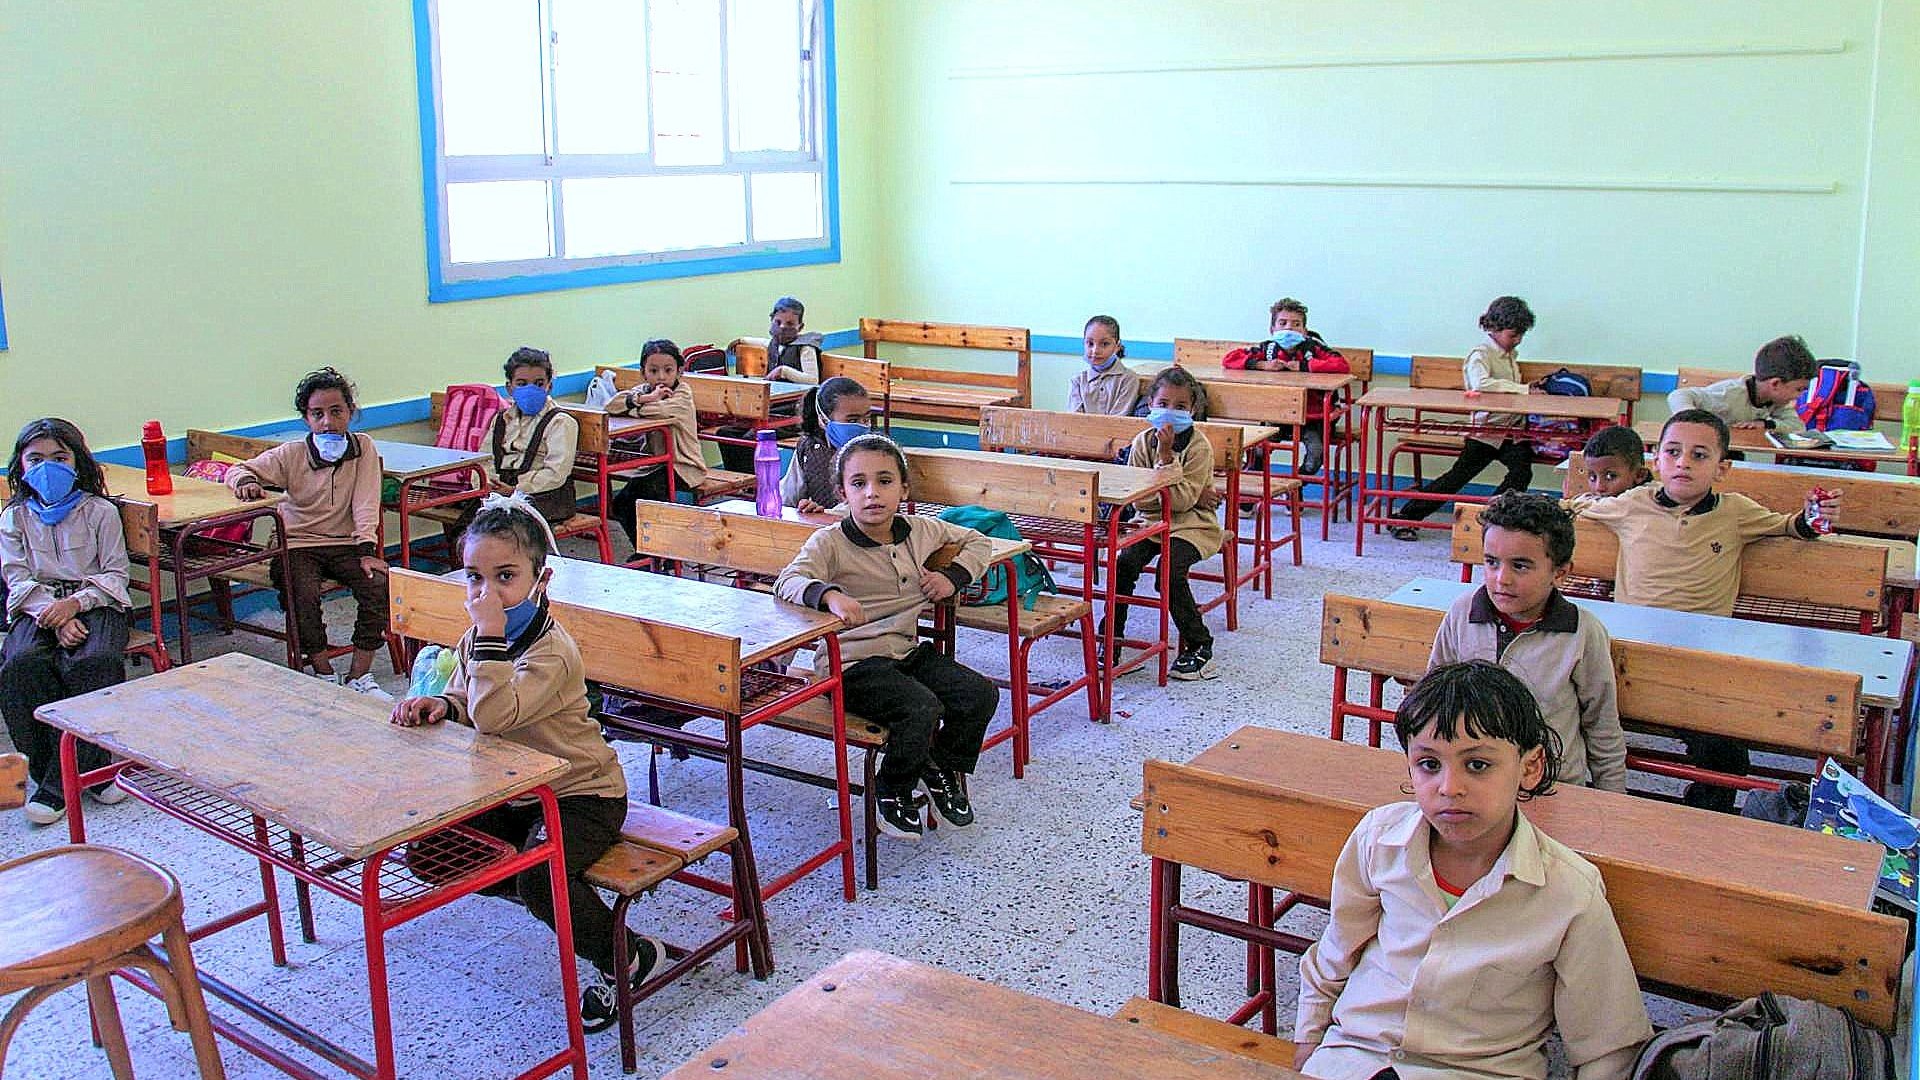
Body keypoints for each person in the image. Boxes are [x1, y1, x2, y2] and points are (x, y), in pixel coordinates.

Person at [1293, 660, 1652, 1079]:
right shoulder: (1379, 839)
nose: (1449, 787)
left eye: (1477, 765)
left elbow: (1606, 1047)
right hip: (1358, 1056)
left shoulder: (1569, 891)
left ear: (1530, 768)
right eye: (1429, 764)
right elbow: (1335, 954)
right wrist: (1307, 1049)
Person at [390, 495, 662, 1032]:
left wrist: (488, 637)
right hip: (514, 791)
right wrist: (442, 704)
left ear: (542, 578)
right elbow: (470, 702)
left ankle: (624, 954)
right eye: (474, 577)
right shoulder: (477, 638)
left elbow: (495, 716)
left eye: (506, 576)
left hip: (582, 793)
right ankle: (548, 887)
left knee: (542, 880)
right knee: (430, 857)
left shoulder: (549, 650)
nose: (486, 593)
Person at [1575, 409, 1836, 810]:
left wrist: (1816, 516)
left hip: (1698, 663)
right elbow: (1573, 509)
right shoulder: (1631, 504)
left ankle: (1701, 822)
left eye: (1699, 455)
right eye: (1673, 452)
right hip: (1626, 657)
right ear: (1656, 460)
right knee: (1557, 712)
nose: (1683, 463)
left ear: (1722, 468)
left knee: (1726, 755)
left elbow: (1790, 526)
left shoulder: (1736, 513)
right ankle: (1579, 803)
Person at [774, 434, 998, 843]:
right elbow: (787, 581)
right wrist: (830, 594)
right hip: (851, 665)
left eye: (885, 481)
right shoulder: (830, 542)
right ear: (842, 493)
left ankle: (939, 766)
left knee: (979, 694)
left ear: (904, 489)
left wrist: (953, 577)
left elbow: (978, 540)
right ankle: (891, 789)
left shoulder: (920, 531)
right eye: (858, 484)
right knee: (920, 707)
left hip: (904, 652)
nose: (872, 494)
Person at [1429, 493, 1626, 792]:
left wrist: (1613, 801)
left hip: (1552, 787)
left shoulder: (1583, 632)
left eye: (1520, 566)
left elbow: (1602, 726)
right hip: (1471, 785)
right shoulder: (1462, 613)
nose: (1501, 579)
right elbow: (1435, 700)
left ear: (1560, 573)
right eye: (1492, 562)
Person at [226, 367, 391, 697]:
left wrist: (366, 551)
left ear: (350, 413)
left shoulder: (363, 449)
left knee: (379, 586)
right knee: (301, 592)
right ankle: (323, 671)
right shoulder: (292, 453)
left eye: (336, 412)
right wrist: (245, 482)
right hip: (297, 543)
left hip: (348, 544)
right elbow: (238, 468)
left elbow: (366, 502)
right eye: (318, 414)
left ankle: (359, 675)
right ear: (307, 418)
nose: (328, 422)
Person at [0, 418, 132, 825]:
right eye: (36, 459)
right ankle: (53, 777)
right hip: (36, 607)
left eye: (59, 457)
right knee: (20, 665)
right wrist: (52, 615)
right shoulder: (15, 516)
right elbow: (16, 577)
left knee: (90, 663)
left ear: (78, 462)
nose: (48, 467)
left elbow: (115, 574)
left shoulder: (100, 512)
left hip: (94, 602)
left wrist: (76, 604)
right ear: (20, 466)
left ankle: (73, 780)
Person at [1107, 367, 1226, 681]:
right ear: (1150, 403)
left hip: (1193, 526)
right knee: (1124, 565)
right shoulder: (1141, 441)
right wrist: (1176, 493)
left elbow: (1184, 504)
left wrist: (1165, 458)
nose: (1170, 412)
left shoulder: (1198, 447)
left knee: (1169, 574)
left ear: (1193, 410)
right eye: (1163, 403)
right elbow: (1138, 500)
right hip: (1149, 521)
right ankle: (1112, 642)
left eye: (1181, 406)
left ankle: (1200, 645)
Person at [1391, 297, 1543, 539]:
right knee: (1456, 478)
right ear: (1494, 328)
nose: (1518, 340)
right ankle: (1405, 517)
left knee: (1522, 473)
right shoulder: (1480, 354)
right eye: (1513, 335)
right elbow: (1481, 383)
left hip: (1510, 432)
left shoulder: (1510, 356)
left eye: (1521, 335)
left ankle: (1496, 518)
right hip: (1485, 431)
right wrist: (1522, 389)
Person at [447, 346, 580, 551]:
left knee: (505, 534)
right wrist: (486, 484)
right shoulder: (501, 419)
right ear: (509, 388)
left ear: (549, 386)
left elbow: (556, 473)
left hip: (544, 494)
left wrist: (516, 489)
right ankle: (469, 578)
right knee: (464, 533)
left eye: (539, 384)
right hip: (499, 490)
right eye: (522, 383)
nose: (531, 389)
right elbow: (485, 459)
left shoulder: (560, 422)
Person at [1222, 297, 1351, 474]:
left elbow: (1341, 365)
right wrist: (1260, 365)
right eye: (1282, 323)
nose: (1289, 328)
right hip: (1277, 414)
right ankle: (1253, 491)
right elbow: (1230, 359)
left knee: (1316, 453)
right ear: (1272, 329)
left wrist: (1305, 366)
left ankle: (1297, 486)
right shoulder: (1267, 349)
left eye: (1296, 324)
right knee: (1258, 448)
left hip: (1312, 418)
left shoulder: (1314, 348)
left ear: (1304, 331)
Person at [606, 339, 707, 553]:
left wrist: (637, 405)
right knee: (622, 503)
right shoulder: (644, 390)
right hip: (656, 465)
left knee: (651, 499)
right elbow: (610, 405)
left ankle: (664, 555)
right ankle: (646, 551)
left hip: (684, 467)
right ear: (643, 372)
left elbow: (660, 412)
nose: (661, 376)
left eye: (668, 370)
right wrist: (646, 397)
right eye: (653, 370)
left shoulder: (683, 394)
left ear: (680, 371)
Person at [719, 297, 824, 470]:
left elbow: (813, 380)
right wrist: (742, 340)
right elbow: (762, 342)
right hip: (772, 409)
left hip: (794, 414)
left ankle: (754, 483)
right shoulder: (774, 344)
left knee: (752, 438)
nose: (782, 328)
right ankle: (739, 477)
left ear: (800, 327)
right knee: (726, 433)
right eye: (778, 322)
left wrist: (784, 371)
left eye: (790, 324)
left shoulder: (805, 348)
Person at [1665, 335, 1817, 431]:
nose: (1799, 396)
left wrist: (1766, 424)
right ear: (1775, 384)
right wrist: (1691, 421)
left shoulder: (1776, 402)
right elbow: (1678, 395)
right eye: (1799, 389)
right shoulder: (1728, 394)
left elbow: (1798, 427)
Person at [779, 376, 871, 512]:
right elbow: (787, 497)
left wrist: (824, 513)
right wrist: (803, 508)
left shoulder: (875, 453)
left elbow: (866, 504)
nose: (862, 426)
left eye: (867, 418)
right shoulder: (809, 448)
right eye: (852, 420)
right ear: (823, 420)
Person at [1066, 315, 1140, 416]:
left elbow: (1118, 421)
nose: (1095, 350)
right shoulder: (1077, 381)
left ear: (1117, 346)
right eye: (1090, 343)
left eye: (1104, 344)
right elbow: (1075, 419)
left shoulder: (1128, 379)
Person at [1580, 425, 1650, 498]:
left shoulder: (1644, 501)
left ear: (1639, 475)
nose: (1599, 488)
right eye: (1593, 477)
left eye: (1610, 476)